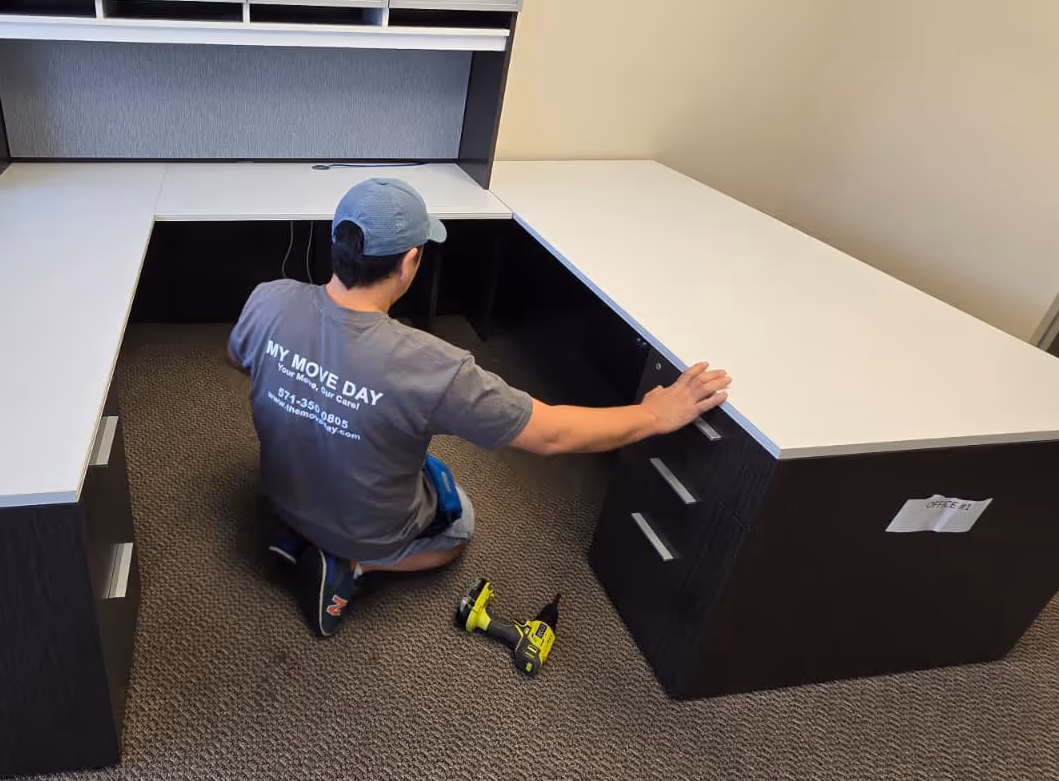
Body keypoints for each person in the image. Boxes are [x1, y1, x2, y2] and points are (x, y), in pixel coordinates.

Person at [227, 176, 732, 638]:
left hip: (282, 495)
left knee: (379, 438)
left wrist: (314, 385)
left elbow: (239, 358)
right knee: (459, 523)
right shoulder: (431, 366)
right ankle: (353, 563)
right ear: (409, 262)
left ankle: (301, 532)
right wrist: (654, 415)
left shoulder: (269, 299)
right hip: (363, 530)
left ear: (338, 241)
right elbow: (549, 434)